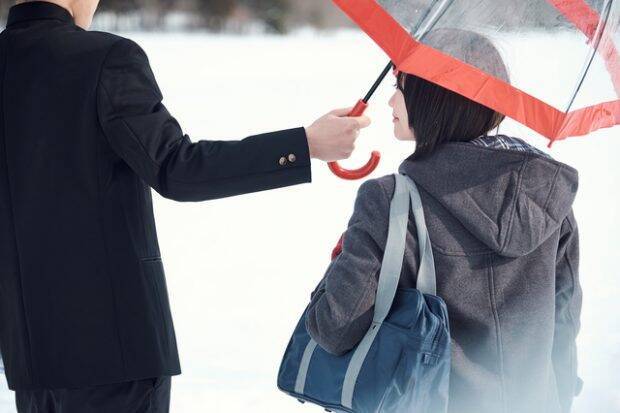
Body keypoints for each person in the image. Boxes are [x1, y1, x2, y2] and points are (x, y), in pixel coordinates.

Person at [0, 1, 371, 412]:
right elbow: (177, 169)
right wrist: (303, 145)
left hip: (30, 361)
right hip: (114, 353)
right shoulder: (103, 58)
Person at [306, 29, 582, 413]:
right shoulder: (547, 195)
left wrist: (342, 259)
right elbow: (564, 321)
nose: (391, 100)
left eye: (401, 87)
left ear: (434, 97)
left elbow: (334, 327)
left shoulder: (389, 202)